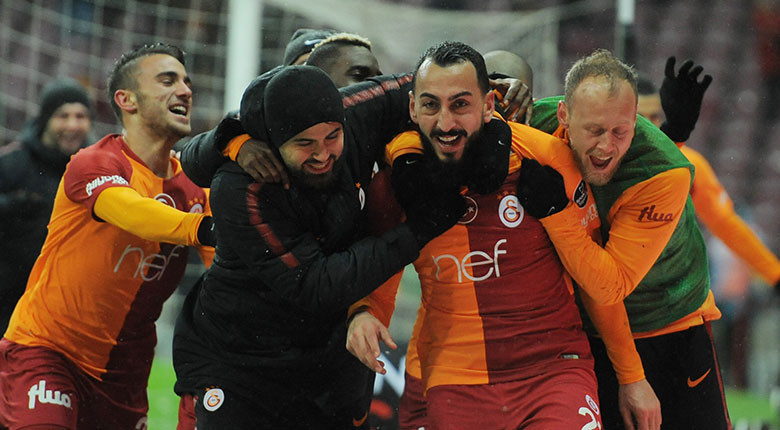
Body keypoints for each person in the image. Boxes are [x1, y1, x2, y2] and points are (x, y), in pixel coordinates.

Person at [171, 65, 477, 429]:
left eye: (333, 136)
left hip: (327, 360)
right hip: (241, 362)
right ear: (272, 141)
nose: (322, 154)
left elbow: (431, 82)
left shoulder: (355, 113)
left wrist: (490, 88)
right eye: (304, 144)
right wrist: (418, 229)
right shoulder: (243, 186)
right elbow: (315, 284)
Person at [347, 40, 620, 430]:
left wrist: (632, 376)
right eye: (431, 105)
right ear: (412, 109)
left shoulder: (547, 158)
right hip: (457, 379)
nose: (446, 123)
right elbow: (381, 272)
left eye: (460, 104)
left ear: (489, 104)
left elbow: (601, 285)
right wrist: (364, 314)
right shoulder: (394, 184)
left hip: (552, 370)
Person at [0, 43, 216, 429]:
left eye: (186, 81)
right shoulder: (94, 162)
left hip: (124, 374)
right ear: (126, 100)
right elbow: (129, 211)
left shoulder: (197, 189)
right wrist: (201, 228)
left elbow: (230, 266)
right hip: (49, 351)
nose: (184, 90)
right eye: (167, 80)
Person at [524, 49, 731, 429]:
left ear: (635, 121)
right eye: (594, 131)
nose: (606, 146)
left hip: (671, 325)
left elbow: (608, 285)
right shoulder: (534, 122)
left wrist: (556, 212)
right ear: (564, 116)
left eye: (620, 131)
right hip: (586, 330)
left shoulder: (665, 173)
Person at [636, 62, 780, 290]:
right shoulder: (601, 164)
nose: (649, 125)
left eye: (654, 116)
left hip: (671, 291)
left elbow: (726, 224)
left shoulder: (689, 164)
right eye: (639, 117)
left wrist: (775, 275)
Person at [0, 78, 94, 333]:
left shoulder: (96, 171)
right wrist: (10, 206)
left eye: (80, 116)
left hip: (66, 304)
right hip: (8, 300)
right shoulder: (12, 162)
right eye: (63, 116)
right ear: (45, 119)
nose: (72, 125)